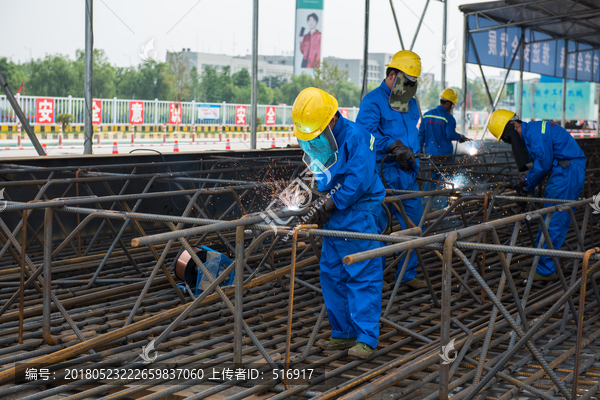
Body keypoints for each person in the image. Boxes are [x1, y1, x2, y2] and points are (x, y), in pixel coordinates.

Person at [292, 87, 386, 359]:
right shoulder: (320, 136)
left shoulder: (358, 138)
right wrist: (313, 198)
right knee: (332, 274)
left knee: (361, 273)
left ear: (332, 120)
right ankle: (342, 332)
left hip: (358, 213)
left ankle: (366, 336)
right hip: (334, 215)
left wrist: (329, 203)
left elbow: (357, 180)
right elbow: (319, 171)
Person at [488, 109, 586, 281]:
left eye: (508, 138)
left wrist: (524, 180)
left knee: (552, 221)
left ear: (513, 124)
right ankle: (546, 265)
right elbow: (542, 165)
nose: (510, 142)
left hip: (566, 173)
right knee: (554, 220)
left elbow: (544, 164)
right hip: (565, 171)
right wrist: (527, 188)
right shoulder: (532, 131)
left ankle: (545, 270)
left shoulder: (534, 133)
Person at [356, 50, 426, 289]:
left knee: (414, 225)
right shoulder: (373, 101)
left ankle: (406, 275)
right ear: (393, 75)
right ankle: (376, 277)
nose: (409, 88)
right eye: (407, 82)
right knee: (379, 228)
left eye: (413, 84)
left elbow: (412, 132)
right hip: (381, 176)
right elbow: (364, 138)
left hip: (407, 174)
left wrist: (412, 150)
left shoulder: (410, 101)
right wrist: (392, 145)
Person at [418, 88, 472, 208]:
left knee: (430, 181)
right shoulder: (448, 118)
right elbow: (450, 135)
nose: (452, 107)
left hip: (429, 157)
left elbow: (420, 136)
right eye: (452, 105)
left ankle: (427, 207)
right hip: (444, 157)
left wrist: (417, 152)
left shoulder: (427, 115)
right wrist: (461, 137)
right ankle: (443, 209)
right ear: (448, 103)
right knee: (445, 181)